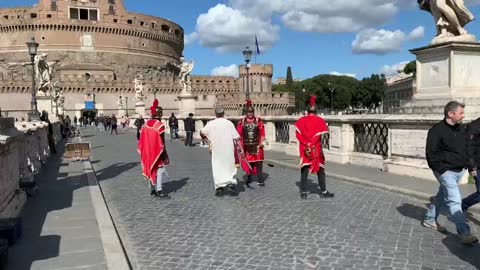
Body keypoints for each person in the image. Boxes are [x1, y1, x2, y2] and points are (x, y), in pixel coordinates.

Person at [423, 101, 478, 245]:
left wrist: (470, 166)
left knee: (442, 195)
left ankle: (429, 219)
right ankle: (464, 233)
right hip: (445, 171)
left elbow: (467, 148)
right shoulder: (436, 131)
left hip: (459, 170)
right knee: (454, 201)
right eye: (460, 113)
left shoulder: (462, 129)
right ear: (450, 114)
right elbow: (431, 154)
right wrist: (442, 170)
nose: (463, 116)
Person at [295, 96, 334, 200]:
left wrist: (306, 143)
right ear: (316, 110)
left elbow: (298, 136)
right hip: (316, 148)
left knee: (304, 170)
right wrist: (312, 143)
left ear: (307, 110)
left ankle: (303, 192)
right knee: (320, 170)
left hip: (305, 148)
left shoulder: (300, 121)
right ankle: (323, 191)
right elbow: (318, 136)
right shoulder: (320, 121)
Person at [200, 107, 240, 197]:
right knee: (229, 166)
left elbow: (202, 133)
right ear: (224, 113)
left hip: (217, 149)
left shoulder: (211, 123)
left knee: (217, 167)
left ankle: (219, 189)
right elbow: (236, 138)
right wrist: (240, 149)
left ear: (215, 114)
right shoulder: (229, 123)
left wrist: (209, 142)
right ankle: (231, 183)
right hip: (228, 149)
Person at [138, 99, 170, 199]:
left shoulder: (145, 124)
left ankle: (152, 189)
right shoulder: (159, 125)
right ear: (160, 114)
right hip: (157, 151)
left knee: (151, 169)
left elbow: (140, 138)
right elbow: (162, 142)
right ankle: (159, 190)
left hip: (147, 151)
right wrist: (164, 153)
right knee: (159, 170)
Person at [236, 100, 266, 187]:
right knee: (248, 163)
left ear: (253, 112)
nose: (250, 113)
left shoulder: (258, 121)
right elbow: (238, 134)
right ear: (246, 112)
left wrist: (261, 142)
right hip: (246, 146)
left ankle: (260, 179)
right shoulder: (242, 121)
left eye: (251, 112)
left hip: (257, 145)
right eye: (248, 112)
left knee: (259, 162)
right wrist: (239, 145)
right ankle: (249, 177)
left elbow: (262, 133)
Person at [462, 116, 480, 212]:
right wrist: (472, 167)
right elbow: (469, 148)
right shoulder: (474, 126)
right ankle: (463, 204)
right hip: (477, 165)